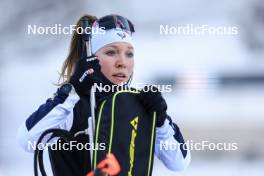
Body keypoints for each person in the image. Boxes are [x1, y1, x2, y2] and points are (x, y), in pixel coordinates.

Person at [16, 14, 191, 176]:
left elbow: (179, 163)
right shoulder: (70, 104)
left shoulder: (138, 104)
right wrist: (74, 89)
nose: (122, 62)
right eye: (111, 52)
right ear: (91, 58)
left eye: (129, 54)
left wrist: (161, 122)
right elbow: (27, 140)